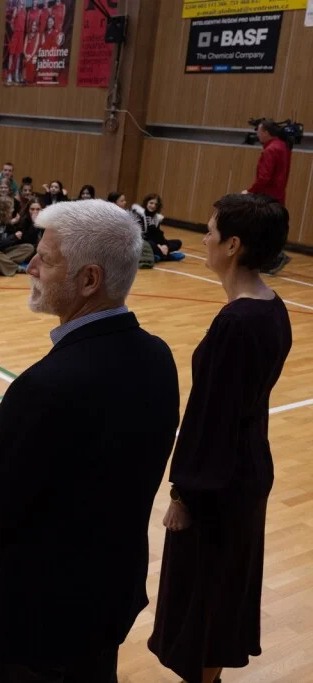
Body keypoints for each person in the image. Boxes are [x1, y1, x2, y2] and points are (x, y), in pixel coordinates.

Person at [0, 199, 180, 683]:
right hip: (107, 602)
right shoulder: (159, 357)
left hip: (34, 623)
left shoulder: (45, 386)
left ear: (89, 280)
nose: (31, 267)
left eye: (46, 259)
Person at [149, 194, 292, 683]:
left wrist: (183, 494)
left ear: (233, 245)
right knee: (219, 593)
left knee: (205, 597)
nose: (204, 239)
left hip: (220, 481)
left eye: (210, 231)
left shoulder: (237, 322)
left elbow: (211, 418)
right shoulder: (272, 308)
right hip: (247, 467)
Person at [247, 119, 292, 275]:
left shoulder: (271, 150)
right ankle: (271, 258)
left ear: (266, 132)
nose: (257, 134)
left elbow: (264, 177)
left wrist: (251, 191)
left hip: (267, 195)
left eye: (259, 131)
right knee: (269, 227)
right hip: (278, 194)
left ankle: (276, 256)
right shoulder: (282, 146)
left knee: (261, 227)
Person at [0, 196, 36, 276]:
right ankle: (16, 268)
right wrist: (13, 237)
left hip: (2, 252)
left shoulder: (5, 220)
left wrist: (15, 226)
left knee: (29, 247)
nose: (13, 210)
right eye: (11, 208)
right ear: (4, 210)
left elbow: (13, 241)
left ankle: (2, 264)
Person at [132, 194, 182, 261]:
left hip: (154, 243)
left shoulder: (157, 217)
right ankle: (167, 257)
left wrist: (164, 245)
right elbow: (141, 235)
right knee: (150, 244)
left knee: (178, 242)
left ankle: (157, 254)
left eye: (155, 204)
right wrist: (158, 245)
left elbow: (158, 235)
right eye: (151, 203)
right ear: (146, 203)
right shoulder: (139, 215)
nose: (153, 206)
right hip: (141, 242)